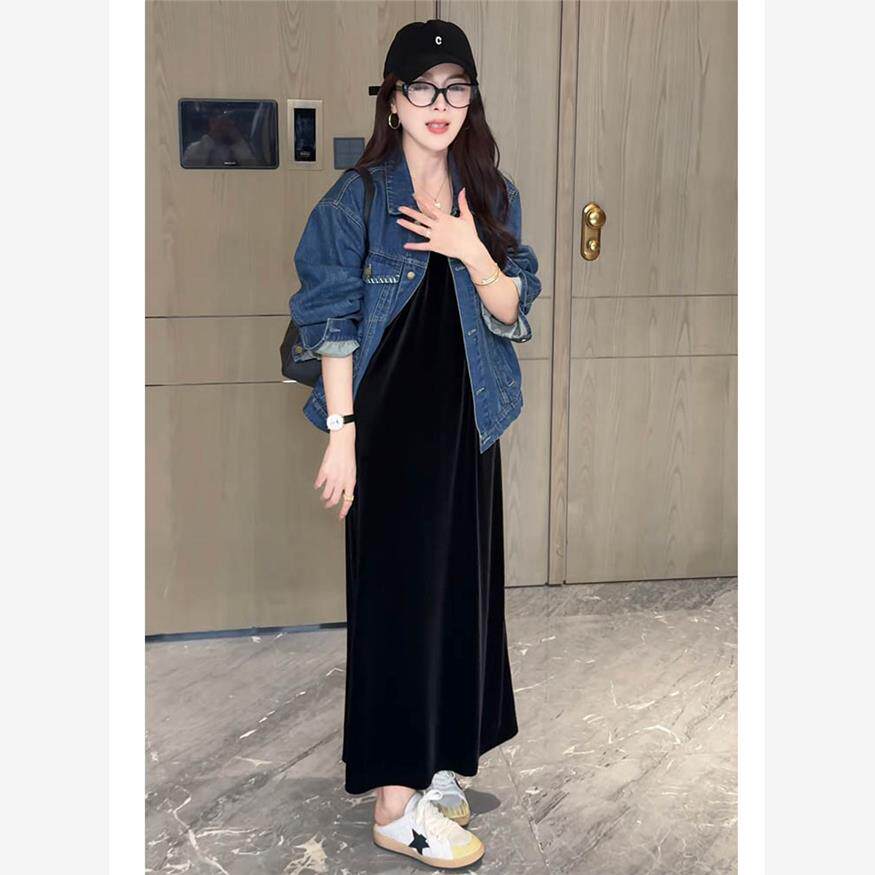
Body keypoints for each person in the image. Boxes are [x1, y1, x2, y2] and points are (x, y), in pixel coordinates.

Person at [288, 18, 542, 869]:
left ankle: (433, 762)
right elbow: (330, 324)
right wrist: (341, 436)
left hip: (468, 430)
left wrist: (471, 250)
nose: (440, 103)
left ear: (471, 99)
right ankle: (394, 808)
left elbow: (512, 308)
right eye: (422, 87)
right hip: (390, 436)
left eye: (455, 87)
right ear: (391, 100)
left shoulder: (489, 194)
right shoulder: (355, 201)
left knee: (460, 597)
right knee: (399, 608)